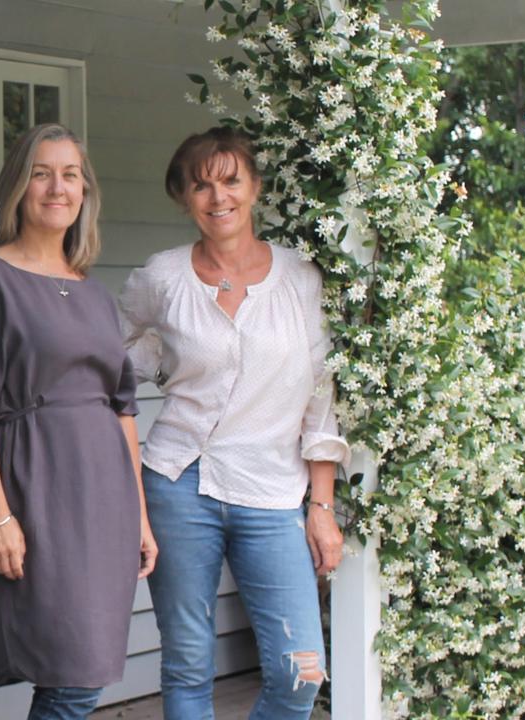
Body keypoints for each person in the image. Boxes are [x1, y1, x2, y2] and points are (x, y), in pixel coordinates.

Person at [118, 126, 350, 720]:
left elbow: (322, 396)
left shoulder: (301, 279)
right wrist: (159, 360)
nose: (217, 197)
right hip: (176, 483)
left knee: (301, 674)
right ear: (184, 198)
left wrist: (320, 508)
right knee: (189, 663)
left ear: (255, 186)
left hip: (273, 494)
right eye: (201, 185)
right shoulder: (163, 277)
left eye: (230, 180)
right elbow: (114, 353)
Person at [0, 123, 158, 720]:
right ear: (19, 186)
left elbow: (122, 406)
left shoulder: (94, 293)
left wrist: (141, 516)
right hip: (36, 486)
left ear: (84, 191)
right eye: (42, 173)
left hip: (106, 496)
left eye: (70, 175)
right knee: (70, 676)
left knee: (85, 673)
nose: (57, 187)